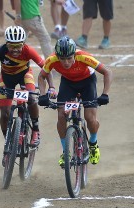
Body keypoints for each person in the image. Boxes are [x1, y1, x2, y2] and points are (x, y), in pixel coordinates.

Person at [37, 36, 112, 166]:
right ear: (57, 56)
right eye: (62, 59)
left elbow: (107, 72)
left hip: (87, 82)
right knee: (61, 115)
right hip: (68, 83)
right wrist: (43, 95)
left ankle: (93, 144)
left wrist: (105, 94)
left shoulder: (83, 57)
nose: (66, 62)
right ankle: (65, 151)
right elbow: (41, 76)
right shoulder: (51, 60)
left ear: (74, 55)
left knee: (90, 117)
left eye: (69, 58)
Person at [0, 26, 44, 148]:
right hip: (6, 79)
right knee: (5, 114)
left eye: (18, 46)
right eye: (12, 46)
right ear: (6, 44)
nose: (15, 49)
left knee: (31, 99)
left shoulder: (29, 51)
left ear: (24, 44)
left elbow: (45, 68)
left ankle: (36, 130)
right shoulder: (0, 51)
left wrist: (47, 89)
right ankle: (8, 142)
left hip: (25, 76)